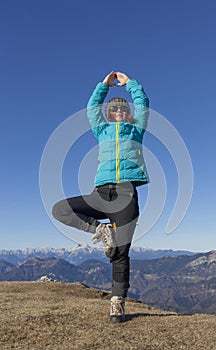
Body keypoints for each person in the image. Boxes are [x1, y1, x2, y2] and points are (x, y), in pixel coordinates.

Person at [52, 71, 149, 323]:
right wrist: (103, 86)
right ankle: (102, 230)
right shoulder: (102, 132)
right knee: (60, 209)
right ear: (109, 113)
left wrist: (130, 84)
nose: (118, 110)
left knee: (121, 252)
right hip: (100, 193)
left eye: (122, 108)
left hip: (126, 194)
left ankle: (117, 303)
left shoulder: (135, 130)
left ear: (128, 113)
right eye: (113, 108)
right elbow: (91, 108)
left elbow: (143, 103)